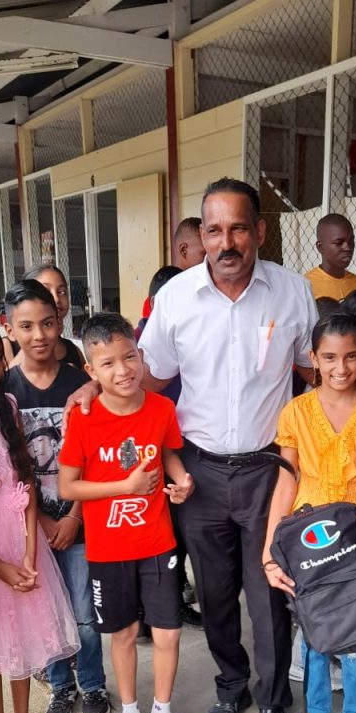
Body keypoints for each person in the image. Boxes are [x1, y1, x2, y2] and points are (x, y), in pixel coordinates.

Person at [62, 177, 356, 713]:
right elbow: (147, 374)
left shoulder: (291, 292)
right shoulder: (177, 298)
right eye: (214, 230)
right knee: (214, 592)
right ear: (203, 235)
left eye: (238, 228)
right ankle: (231, 688)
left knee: (269, 591)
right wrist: (93, 387)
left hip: (271, 470)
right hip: (198, 470)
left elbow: (324, 367)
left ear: (259, 232)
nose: (226, 242)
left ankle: (272, 701)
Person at [58, 313, 198, 713]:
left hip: (158, 543)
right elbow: (67, 487)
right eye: (108, 363)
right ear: (91, 371)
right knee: (123, 633)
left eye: (130, 357)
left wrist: (181, 480)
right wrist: (125, 487)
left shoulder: (161, 409)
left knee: (168, 632)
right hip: (108, 550)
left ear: (140, 354)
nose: (123, 370)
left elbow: (169, 451)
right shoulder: (83, 418)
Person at [263, 313, 356, 713]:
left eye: (352, 356)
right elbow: (286, 481)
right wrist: (269, 551)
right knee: (315, 635)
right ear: (314, 359)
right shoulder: (296, 412)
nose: (341, 368)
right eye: (330, 357)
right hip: (310, 537)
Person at [4, 280, 109, 713]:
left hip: (79, 522)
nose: (39, 335)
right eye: (26, 326)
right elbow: (11, 467)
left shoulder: (81, 384)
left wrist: (73, 516)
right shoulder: (6, 391)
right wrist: (43, 521)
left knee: (84, 614)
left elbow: (95, 459)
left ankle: (93, 684)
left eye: (47, 323)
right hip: (31, 527)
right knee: (48, 612)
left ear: (60, 321)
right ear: (9, 329)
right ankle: (61, 686)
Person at [0, 327, 80, 713]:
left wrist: (29, 551)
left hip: (20, 539)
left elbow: (23, 480)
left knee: (22, 634)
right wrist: (0, 567)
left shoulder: (7, 406)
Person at [137, 266, 202, 629]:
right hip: (150, 451)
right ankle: (147, 612)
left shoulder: (195, 330)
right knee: (153, 534)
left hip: (182, 447)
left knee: (176, 533)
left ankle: (172, 600)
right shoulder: (140, 345)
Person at [3, 265, 85, 370]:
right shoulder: (7, 347)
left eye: (61, 292)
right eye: (45, 291)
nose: (56, 299)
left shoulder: (73, 350)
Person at [305, 215, 356, 302]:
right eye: (339, 243)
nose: (347, 248)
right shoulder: (307, 285)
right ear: (321, 247)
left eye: (351, 241)